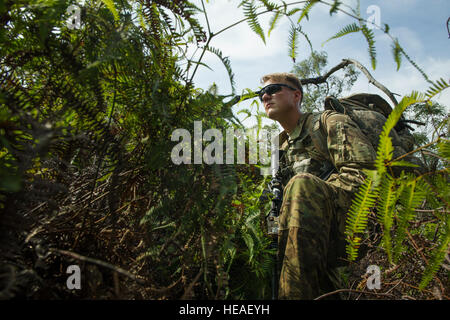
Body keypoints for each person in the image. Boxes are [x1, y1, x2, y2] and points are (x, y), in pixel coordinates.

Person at [259, 72, 376, 299]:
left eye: (273, 90)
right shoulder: (277, 149)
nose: (265, 96)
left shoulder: (329, 122)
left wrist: (308, 192)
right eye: (261, 93)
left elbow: (365, 178)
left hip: (353, 225)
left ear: (296, 96)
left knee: (301, 186)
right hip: (302, 236)